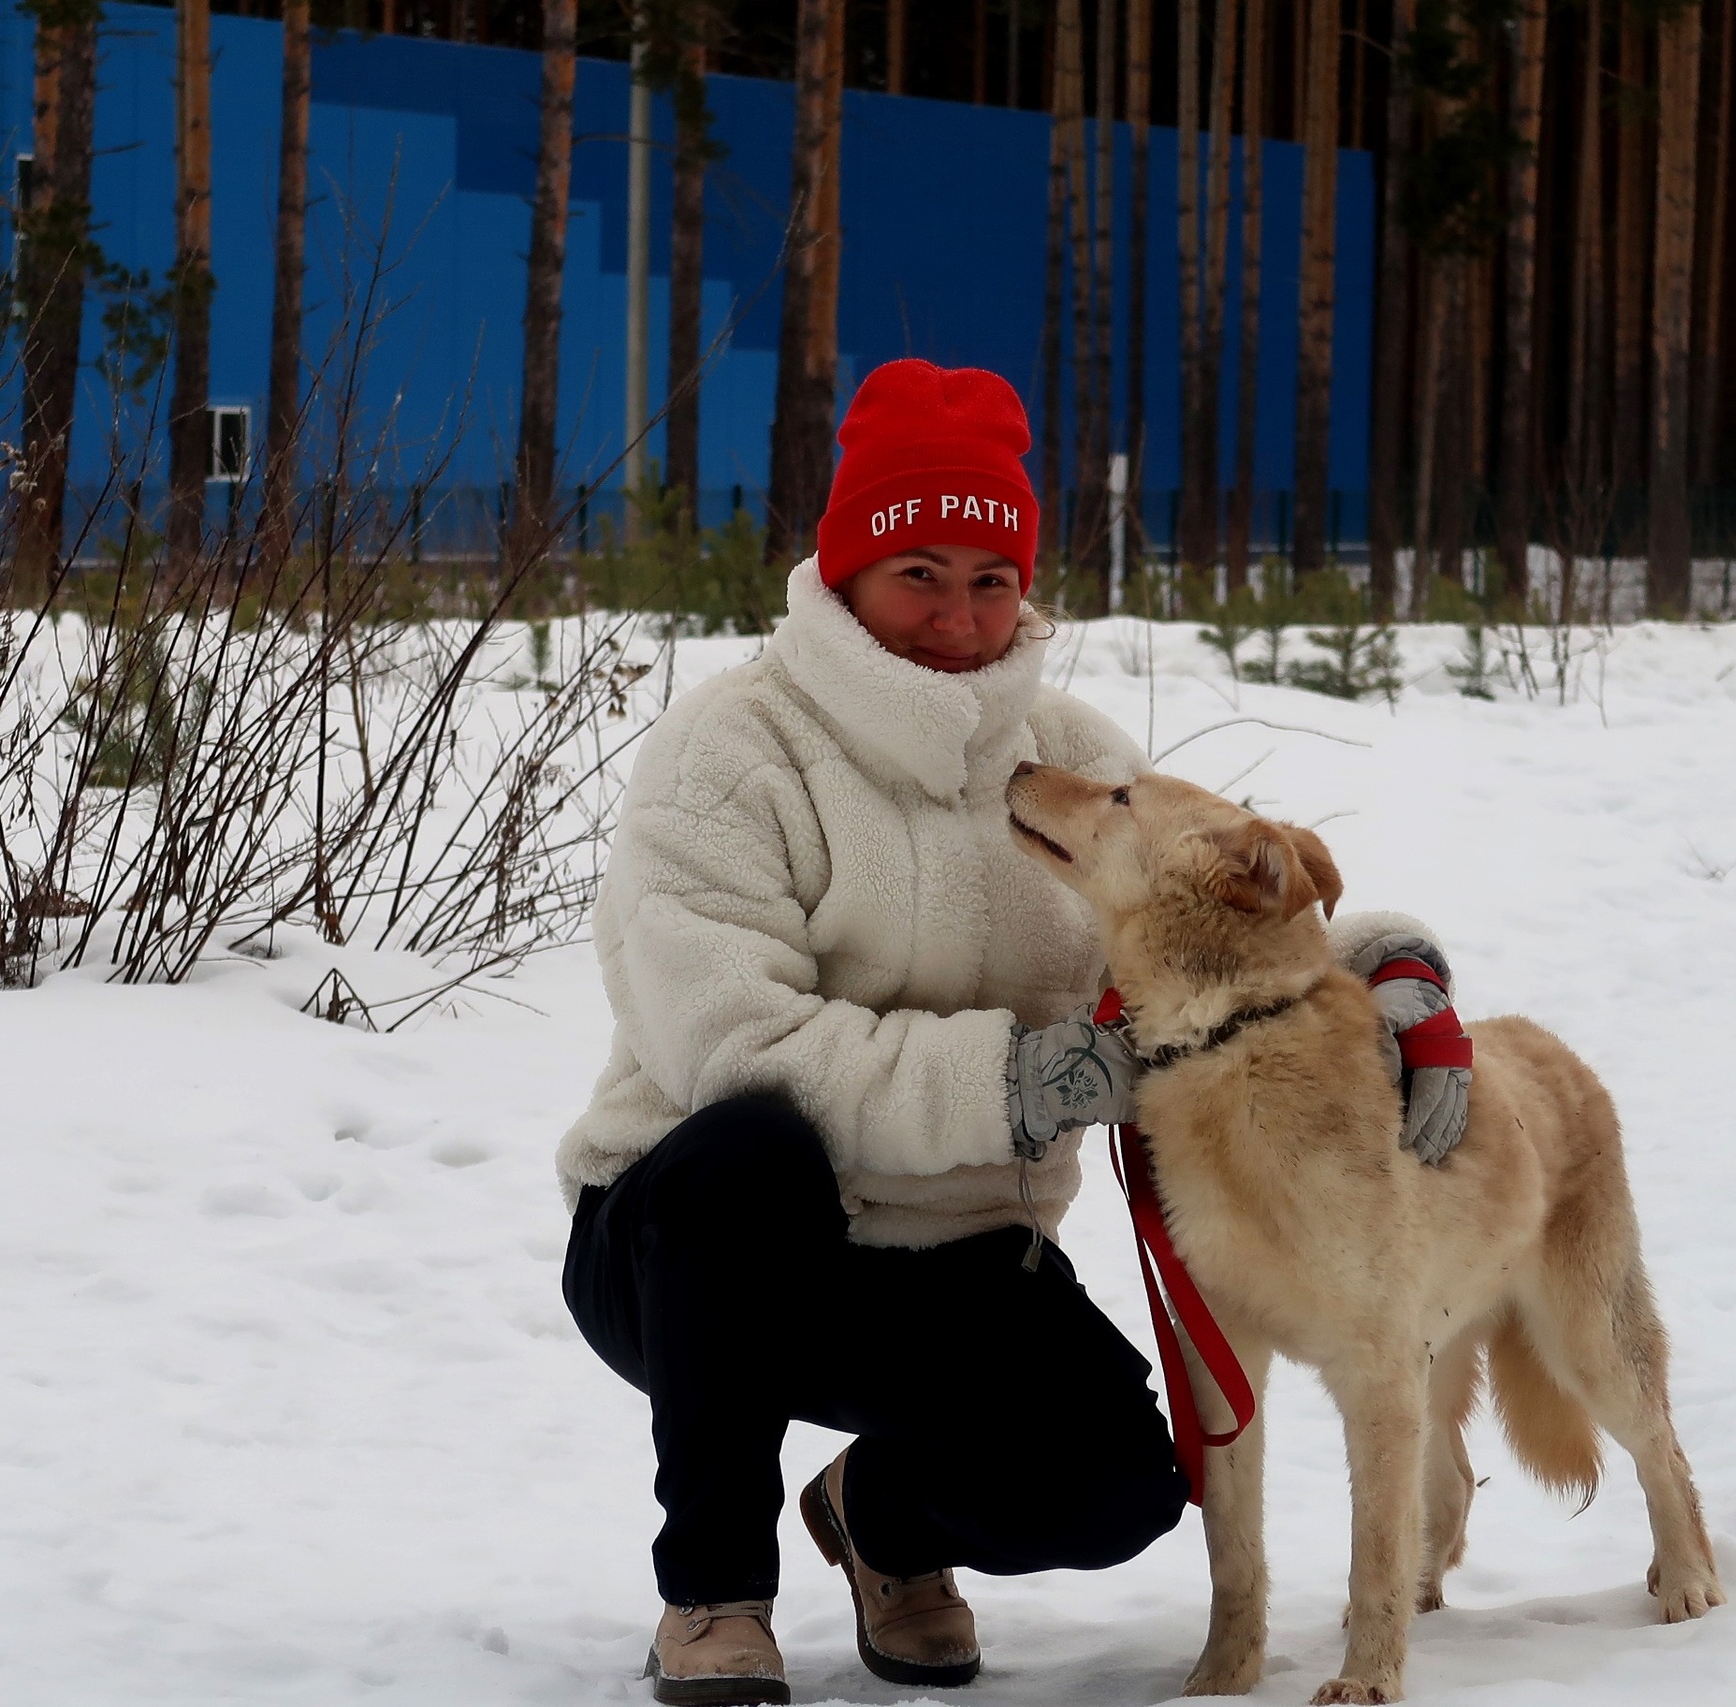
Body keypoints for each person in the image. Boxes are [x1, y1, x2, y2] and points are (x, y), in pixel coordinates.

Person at [558, 359, 1460, 1707]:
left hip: (961, 1252)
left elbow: (1199, 927)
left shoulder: (1068, 749)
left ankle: (885, 1525)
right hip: (705, 1256)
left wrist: (1389, 971)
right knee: (740, 1153)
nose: (958, 618)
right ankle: (714, 1597)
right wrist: (1017, 1079)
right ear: (848, 570)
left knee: (1116, 1492)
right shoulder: (731, 749)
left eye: (991, 579)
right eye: (918, 573)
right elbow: (732, 1044)